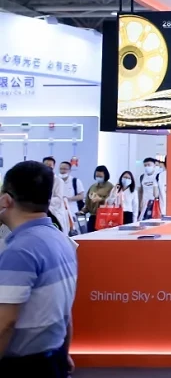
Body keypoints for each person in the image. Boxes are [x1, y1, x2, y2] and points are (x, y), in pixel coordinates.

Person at [0, 161, 77, 376]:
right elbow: (65, 311)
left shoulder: (20, 251)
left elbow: (5, 322)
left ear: (6, 199)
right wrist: (65, 352)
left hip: (24, 365)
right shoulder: (61, 240)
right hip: (54, 355)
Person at [85, 166, 113, 232]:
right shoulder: (93, 187)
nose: (98, 177)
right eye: (97, 176)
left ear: (105, 175)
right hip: (93, 216)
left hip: (104, 216)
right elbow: (88, 200)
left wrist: (101, 199)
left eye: (100, 176)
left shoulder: (110, 187)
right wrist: (84, 210)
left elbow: (112, 201)